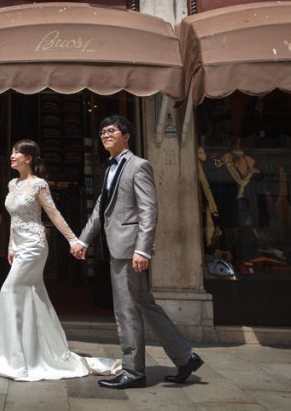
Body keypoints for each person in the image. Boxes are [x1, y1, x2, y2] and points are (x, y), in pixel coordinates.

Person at [71, 114, 204, 389]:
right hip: (119, 247)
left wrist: (143, 250)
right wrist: (83, 240)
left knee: (126, 311)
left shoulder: (139, 166)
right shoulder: (109, 169)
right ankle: (185, 357)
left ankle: (133, 372)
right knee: (145, 304)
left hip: (129, 250)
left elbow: (148, 210)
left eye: (111, 131)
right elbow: (100, 209)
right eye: (102, 132)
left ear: (126, 136)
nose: (105, 135)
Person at [0, 139, 119, 381]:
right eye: (12, 151)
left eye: (17, 152)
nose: (12, 155)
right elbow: (13, 219)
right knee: (31, 295)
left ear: (29, 158)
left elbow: (54, 214)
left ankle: (12, 359)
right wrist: (11, 246)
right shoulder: (13, 184)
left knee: (9, 290)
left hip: (34, 246)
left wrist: (74, 240)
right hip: (20, 246)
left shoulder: (39, 184)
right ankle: (34, 352)